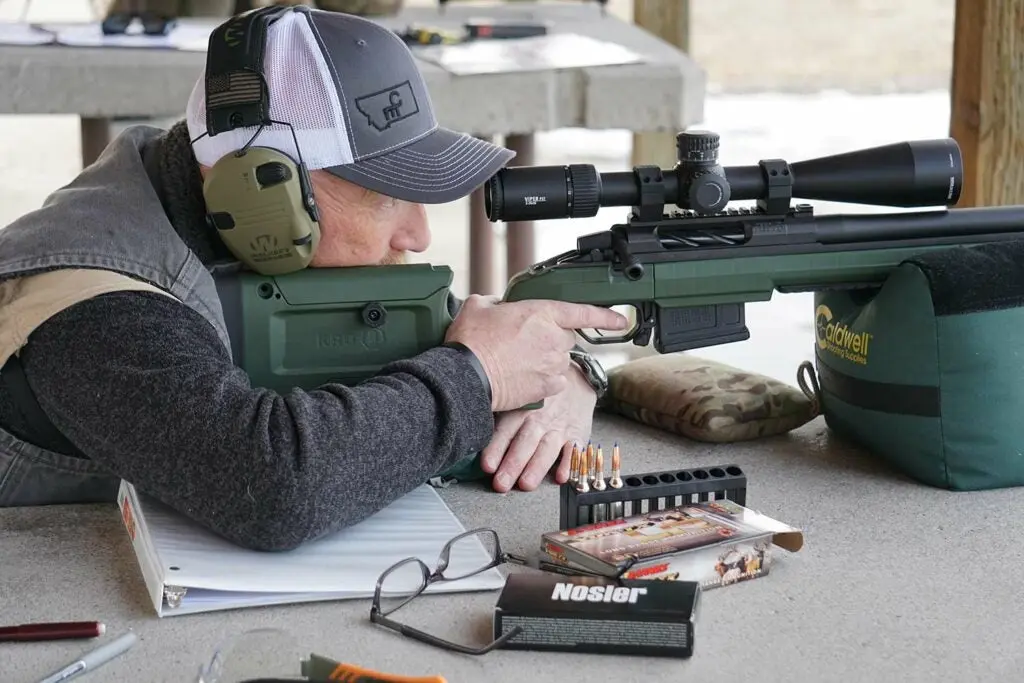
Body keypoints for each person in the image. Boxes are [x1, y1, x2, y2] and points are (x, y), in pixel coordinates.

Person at [0, 7, 627, 551]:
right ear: (263, 194)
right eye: (386, 195)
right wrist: (477, 378)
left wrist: (566, 372)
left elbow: (463, 333)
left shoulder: (205, 200)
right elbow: (272, 486)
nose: (418, 235)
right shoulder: (94, 306)